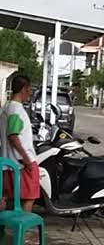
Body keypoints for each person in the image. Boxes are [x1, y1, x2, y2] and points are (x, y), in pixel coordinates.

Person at [0, 75, 39, 212]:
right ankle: (21, 231)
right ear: (23, 89)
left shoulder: (6, 107)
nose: (30, 94)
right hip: (21, 162)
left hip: (7, 162)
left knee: (6, 197)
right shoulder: (16, 110)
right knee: (29, 197)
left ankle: (4, 228)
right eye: (29, 90)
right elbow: (13, 135)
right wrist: (27, 159)